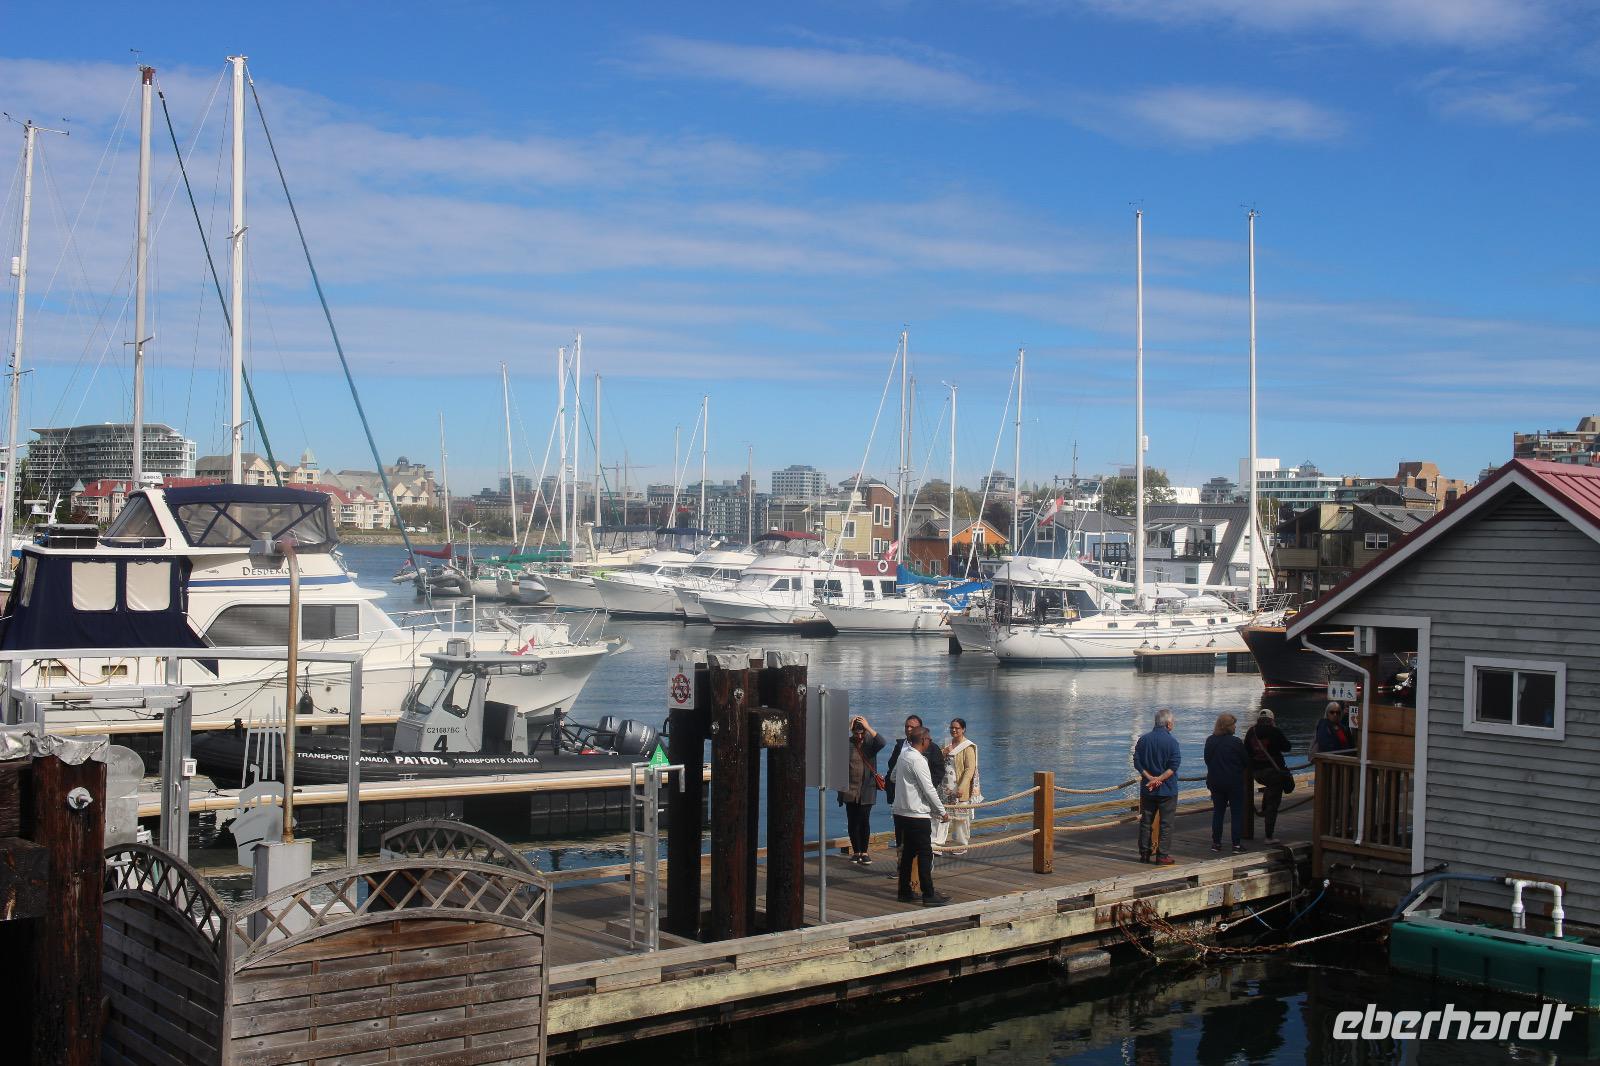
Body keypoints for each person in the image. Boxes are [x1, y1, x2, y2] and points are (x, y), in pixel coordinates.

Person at [891, 726, 950, 907]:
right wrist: (941, 811)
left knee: (908, 852)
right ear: (923, 740)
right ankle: (928, 894)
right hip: (917, 813)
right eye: (929, 740)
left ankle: (904, 891)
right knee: (925, 853)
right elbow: (929, 788)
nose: (930, 742)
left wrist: (906, 787)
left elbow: (893, 777)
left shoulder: (903, 755)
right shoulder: (918, 760)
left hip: (901, 811)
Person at [1133, 708, 1182, 865]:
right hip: (1167, 789)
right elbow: (1174, 765)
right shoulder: (1172, 742)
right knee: (1166, 823)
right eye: (1172, 722)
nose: (1173, 724)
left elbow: (1137, 761)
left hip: (1148, 788)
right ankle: (1162, 855)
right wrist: (1159, 778)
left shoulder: (1143, 740)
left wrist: (1150, 778)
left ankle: (1145, 853)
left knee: (1146, 821)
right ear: (1168, 724)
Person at [837, 715, 887, 864]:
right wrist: (847, 727)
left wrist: (868, 727)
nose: (859, 735)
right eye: (856, 732)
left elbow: (882, 742)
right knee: (852, 821)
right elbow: (833, 745)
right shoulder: (847, 743)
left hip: (867, 789)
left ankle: (864, 852)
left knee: (864, 820)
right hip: (850, 789)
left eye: (861, 732)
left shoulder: (870, 744)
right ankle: (856, 851)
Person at [1245, 708, 1293, 844]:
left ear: (1258, 720)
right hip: (1273, 773)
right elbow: (1287, 747)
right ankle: (1269, 836)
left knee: (1269, 792)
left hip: (1257, 773)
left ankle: (1264, 809)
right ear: (1272, 720)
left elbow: (1246, 751)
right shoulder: (1274, 731)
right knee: (1273, 804)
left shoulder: (1251, 731)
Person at [1204, 713, 1247, 853]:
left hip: (1215, 781)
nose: (1235, 726)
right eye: (1233, 724)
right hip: (1234, 782)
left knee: (1218, 812)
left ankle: (1216, 843)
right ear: (1227, 727)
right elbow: (1245, 761)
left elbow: (1207, 759)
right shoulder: (1236, 742)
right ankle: (1236, 844)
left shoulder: (1210, 740)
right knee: (1236, 813)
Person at [884, 714, 924, 848]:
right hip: (899, 795)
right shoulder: (900, 745)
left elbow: (937, 770)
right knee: (899, 829)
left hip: (918, 798)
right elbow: (891, 766)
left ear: (920, 729)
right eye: (907, 726)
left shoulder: (928, 746)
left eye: (912, 727)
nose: (908, 729)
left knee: (917, 833)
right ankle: (901, 860)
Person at [942, 718, 981, 853]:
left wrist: (962, 787)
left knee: (960, 818)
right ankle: (938, 843)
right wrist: (943, 753)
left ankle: (961, 844)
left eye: (957, 728)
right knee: (943, 815)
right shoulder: (947, 743)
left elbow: (969, 769)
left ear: (963, 729)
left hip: (959, 786)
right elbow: (938, 760)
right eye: (952, 727)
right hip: (945, 786)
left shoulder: (968, 747)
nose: (953, 730)